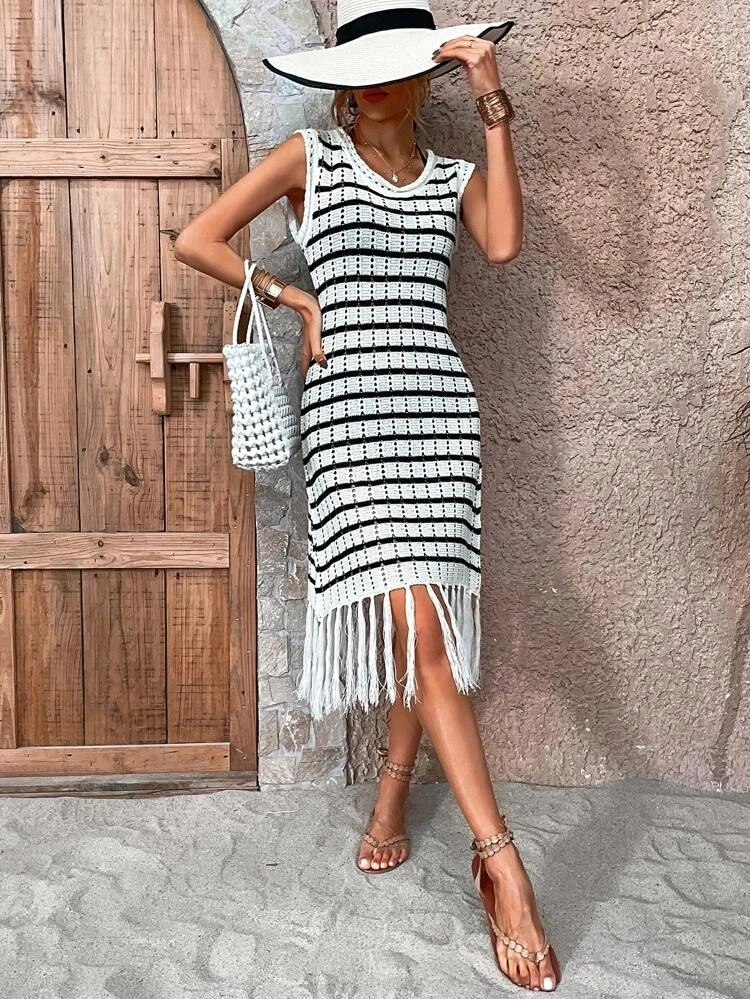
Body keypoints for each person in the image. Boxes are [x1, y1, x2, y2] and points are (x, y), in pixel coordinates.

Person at [174, 0, 561, 991]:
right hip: (348, 422)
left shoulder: (453, 176)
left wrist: (493, 101)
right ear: (342, 81)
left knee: (420, 619)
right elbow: (198, 238)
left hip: (440, 418)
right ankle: (501, 863)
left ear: (427, 76)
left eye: (400, 66)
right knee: (417, 624)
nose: (380, 85)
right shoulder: (307, 159)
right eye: (364, 69)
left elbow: (504, 244)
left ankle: (392, 794)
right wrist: (293, 295)